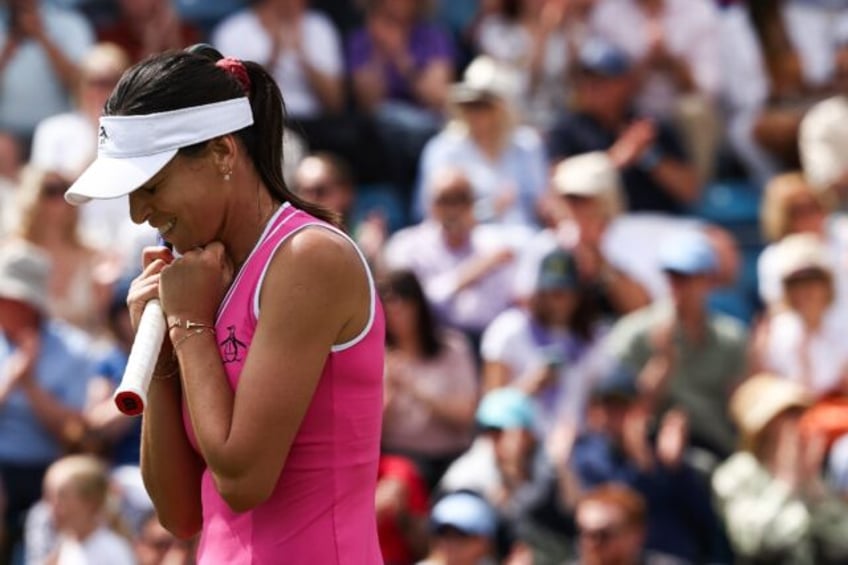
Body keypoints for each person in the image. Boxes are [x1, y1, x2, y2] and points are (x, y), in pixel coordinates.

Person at [64, 45, 385, 564]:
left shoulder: (309, 256)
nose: (138, 214)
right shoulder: (204, 275)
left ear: (222, 152)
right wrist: (167, 349)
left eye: (151, 186)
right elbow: (180, 512)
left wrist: (189, 323)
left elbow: (242, 480)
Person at [0, 240, 96, 564]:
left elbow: (73, 429)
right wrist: (13, 377)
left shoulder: (74, 348)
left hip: (49, 469)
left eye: (15, 299)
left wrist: (30, 386)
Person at [713, 373, 848, 565]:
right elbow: (754, 542)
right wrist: (787, 482)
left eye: (798, 414)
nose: (798, 422)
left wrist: (814, 488)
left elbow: (842, 542)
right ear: (765, 426)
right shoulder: (736, 473)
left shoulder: (810, 470)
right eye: (788, 415)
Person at [380, 269, 479, 490]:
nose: (397, 312)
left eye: (404, 302)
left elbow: (466, 416)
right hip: (400, 461)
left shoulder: (454, 348)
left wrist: (413, 388)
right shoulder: (376, 357)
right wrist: (389, 390)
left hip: (453, 459)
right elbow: (372, 432)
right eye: (389, 306)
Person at [37, 454, 136, 565]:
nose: (53, 508)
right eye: (49, 498)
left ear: (91, 503)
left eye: (62, 498)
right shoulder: (64, 545)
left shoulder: (113, 552)